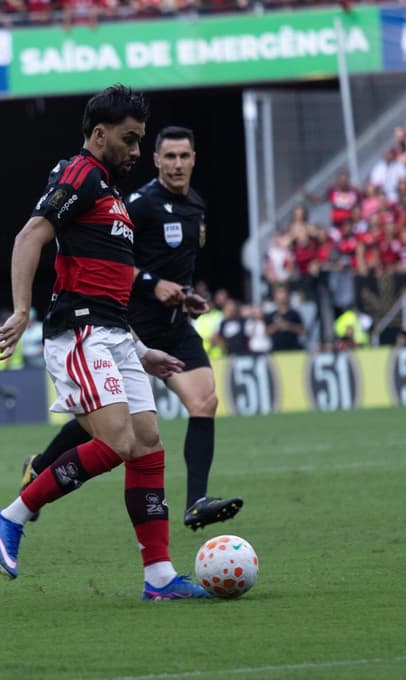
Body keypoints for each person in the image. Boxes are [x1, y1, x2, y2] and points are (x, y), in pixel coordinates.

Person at [0, 86, 208, 600]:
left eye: (140, 140)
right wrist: (21, 309)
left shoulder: (109, 192)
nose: (137, 151)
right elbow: (30, 235)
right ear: (100, 134)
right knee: (117, 441)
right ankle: (10, 517)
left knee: (147, 443)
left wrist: (140, 349)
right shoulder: (80, 174)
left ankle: (159, 578)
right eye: (130, 140)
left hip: (115, 334)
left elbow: (107, 286)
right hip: (80, 332)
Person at [18, 126, 243, 533]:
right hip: (130, 323)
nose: (177, 164)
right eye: (169, 156)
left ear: (194, 159)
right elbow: (116, 261)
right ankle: (39, 468)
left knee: (204, 401)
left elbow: (177, 267)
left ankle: (196, 502)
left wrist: (185, 296)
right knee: (111, 424)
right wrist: (152, 285)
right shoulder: (138, 204)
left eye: (184, 156)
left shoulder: (196, 206)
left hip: (173, 325)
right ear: (156, 160)